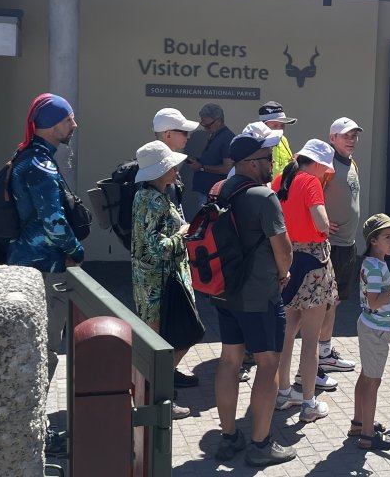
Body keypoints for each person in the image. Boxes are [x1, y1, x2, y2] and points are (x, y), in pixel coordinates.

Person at [210, 126, 297, 467]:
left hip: (223, 291)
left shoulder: (219, 190)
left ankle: (229, 437)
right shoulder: (264, 197)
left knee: (229, 360)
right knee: (267, 363)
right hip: (259, 295)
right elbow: (284, 251)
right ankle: (261, 444)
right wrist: (283, 273)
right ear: (250, 163)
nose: (272, 162)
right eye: (267, 158)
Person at [7, 93, 83, 456]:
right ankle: (33, 431)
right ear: (53, 125)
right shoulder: (39, 165)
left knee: (39, 350)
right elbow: (52, 223)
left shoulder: (29, 156)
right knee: (45, 351)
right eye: (69, 119)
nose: (74, 125)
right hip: (44, 267)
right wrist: (77, 251)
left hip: (29, 261)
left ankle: (28, 423)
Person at [130, 141, 198, 419]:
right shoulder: (156, 201)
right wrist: (183, 233)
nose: (176, 169)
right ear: (159, 171)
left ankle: (157, 389)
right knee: (177, 336)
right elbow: (157, 248)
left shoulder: (142, 196)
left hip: (147, 279)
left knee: (157, 340)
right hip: (161, 283)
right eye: (171, 165)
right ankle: (157, 400)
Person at [273, 139, 338, 420]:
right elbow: (321, 221)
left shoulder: (279, 180)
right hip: (313, 262)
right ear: (319, 164)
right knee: (311, 339)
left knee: (287, 333)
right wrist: (325, 229)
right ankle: (309, 404)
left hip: (285, 258)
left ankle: (283, 392)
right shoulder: (310, 182)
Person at [351, 213, 390, 450]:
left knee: (366, 376)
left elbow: (376, 294)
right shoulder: (375, 267)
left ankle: (359, 422)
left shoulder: (374, 263)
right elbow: (375, 301)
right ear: (373, 240)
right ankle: (367, 435)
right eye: (387, 236)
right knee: (373, 382)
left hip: (369, 326)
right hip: (376, 329)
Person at [317, 117, 363, 376]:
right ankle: (316, 357)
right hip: (329, 246)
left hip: (348, 245)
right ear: (332, 138)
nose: (351, 140)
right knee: (323, 304)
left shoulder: (352, 163)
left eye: (354, 135)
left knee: (334, 302)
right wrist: (320, 223)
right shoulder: (326, 166)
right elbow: (308, 198)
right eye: (345, 135)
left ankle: (324, 353)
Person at [189, 103, 235, 206]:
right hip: (208, 192)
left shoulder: (227, 138)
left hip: (214, 195)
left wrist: (201, 167)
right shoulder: (216, 135)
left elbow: (227, 168)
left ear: (218, 121)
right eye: (203, 124)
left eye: (208, 125)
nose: (205, 128)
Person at [258, 101, 298, 178]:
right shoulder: (255, 142)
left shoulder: (283, 139)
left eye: (282, 125)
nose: (279, 129)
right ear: (262, 125)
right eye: (275, 125)